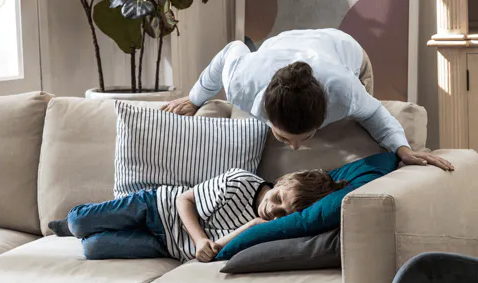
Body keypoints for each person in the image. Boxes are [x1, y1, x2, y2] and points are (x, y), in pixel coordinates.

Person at [162, 28, 453, 171]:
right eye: (284, 136)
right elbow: (231, 49)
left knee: (361, 141)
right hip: (281, 46)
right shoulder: (240, 82)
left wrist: (403, 149)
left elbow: (374, 114)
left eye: (306, 136)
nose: (296, 146)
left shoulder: (345, 90)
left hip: (344, 48)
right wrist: (195, 98)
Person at [48, 168, 348, 263]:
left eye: (283, 214)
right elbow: (184, 199)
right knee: (78, 222)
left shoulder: (264, 228)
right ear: (280, 182)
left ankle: (84, 232)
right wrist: (199, 239)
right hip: (156, 207)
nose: (273, 210)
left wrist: (252, 225)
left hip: (165, 245)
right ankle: (70, 224)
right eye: (278, 199)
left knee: (92, 248)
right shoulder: (240, 182)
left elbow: (212, 251)